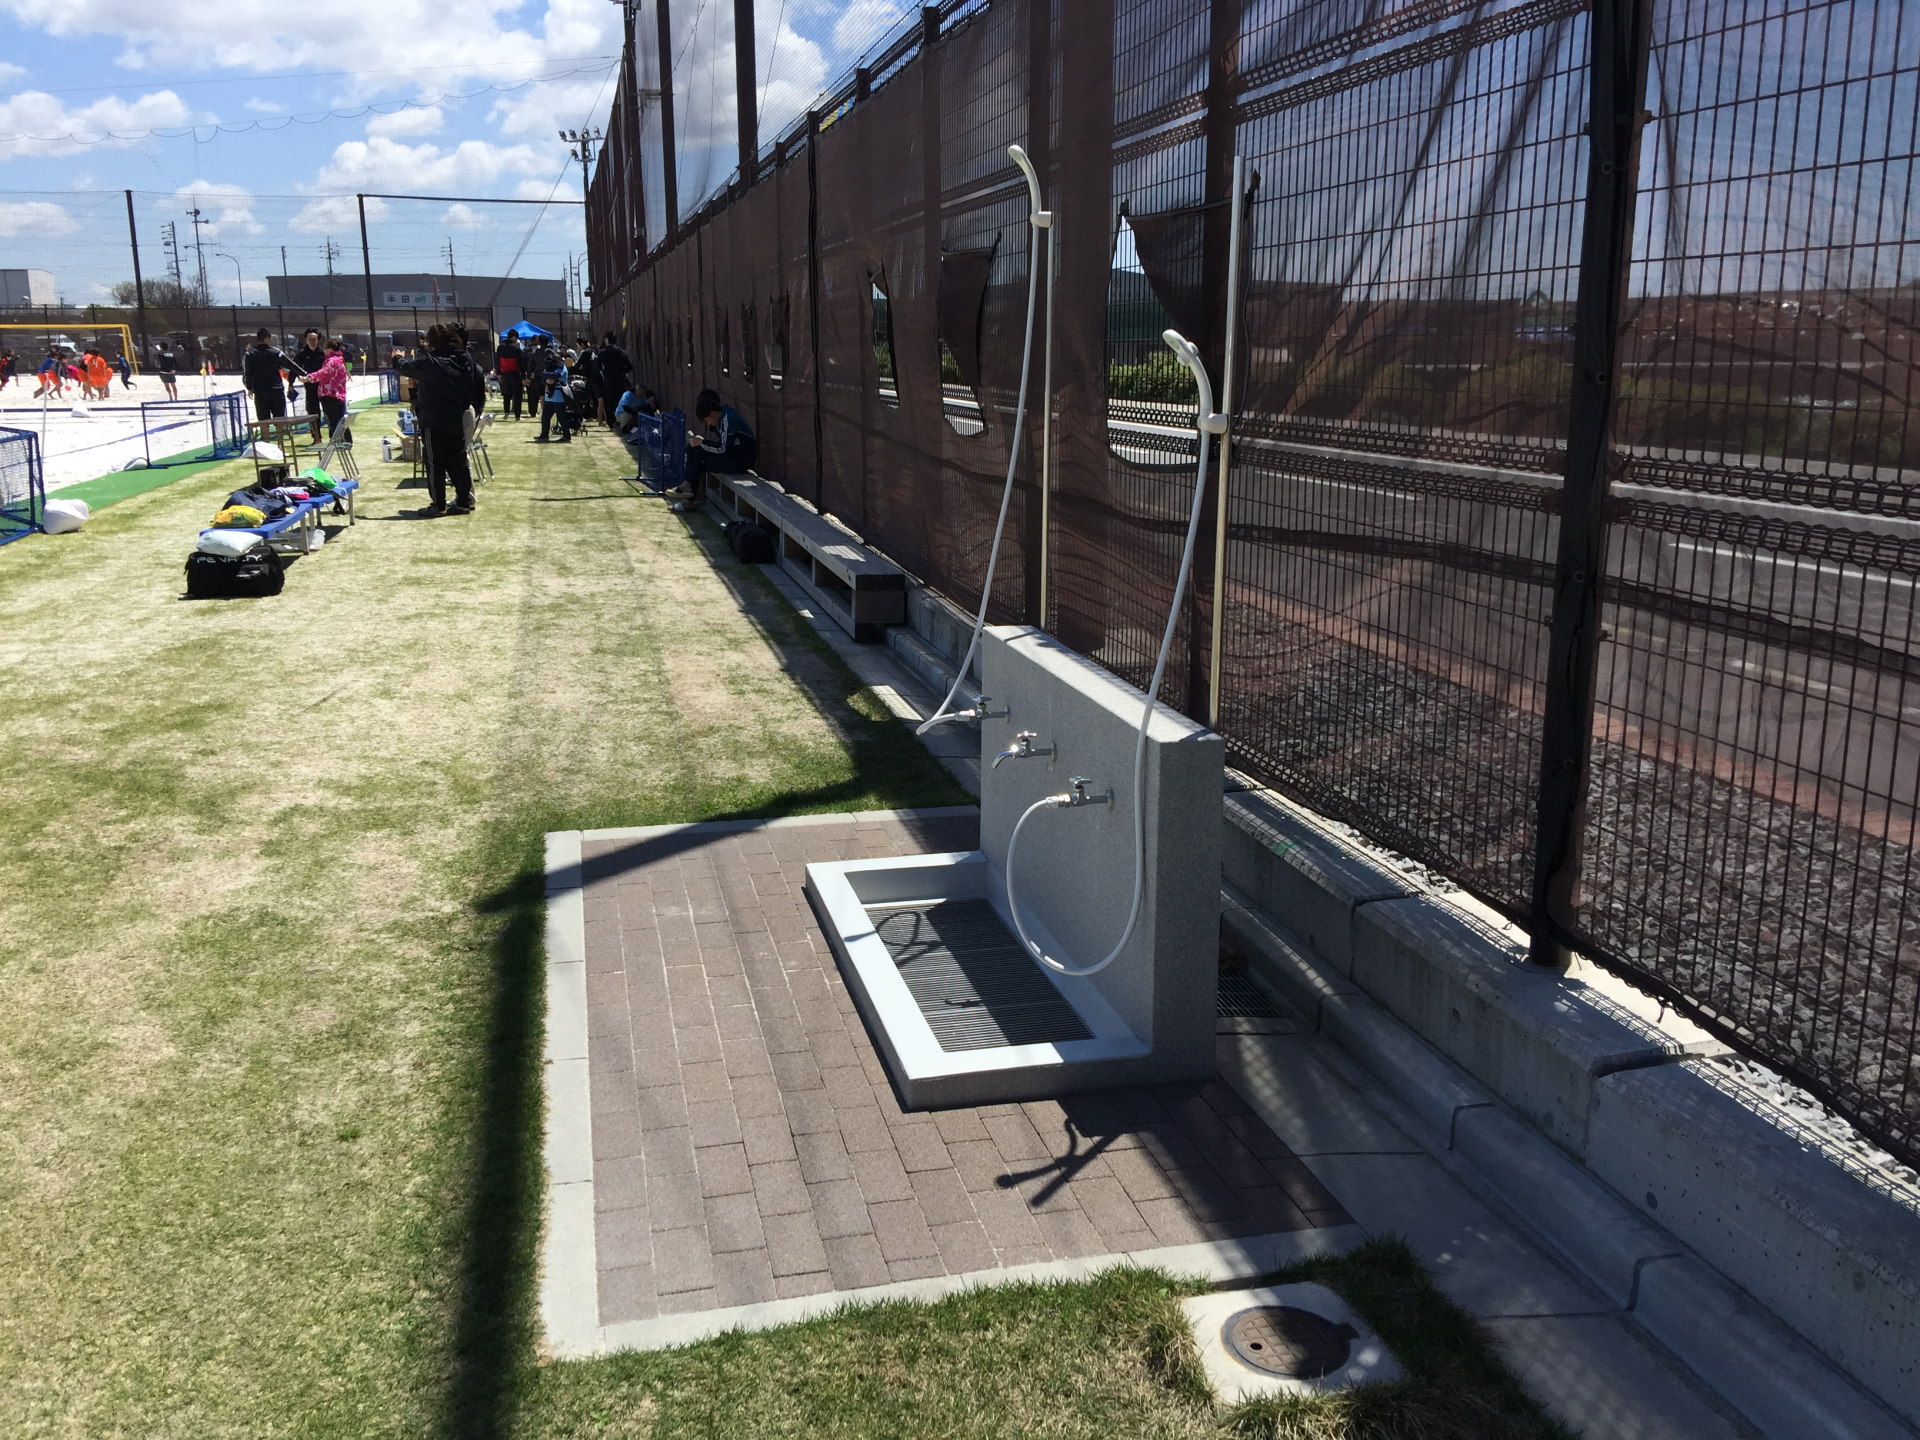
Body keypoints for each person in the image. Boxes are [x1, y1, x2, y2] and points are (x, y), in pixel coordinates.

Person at [397, 323, 485, 516]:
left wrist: (397, 357)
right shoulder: (464, 359)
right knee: (458, 461)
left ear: (431, 342)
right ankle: (463, 501)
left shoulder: (431, 361)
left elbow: (404, 367)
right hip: (456, 417)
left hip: (434, 420)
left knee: (435, 463)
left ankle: (438, 505)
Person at [670, 388, 756, 501]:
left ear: (712, 413)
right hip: (732, 455)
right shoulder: (722, 418)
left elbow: (723, 449)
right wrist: (698, 444)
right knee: (695, 451)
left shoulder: (728, 419)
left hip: (741, 460)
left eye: (707, 420)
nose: (709, 424)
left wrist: (702, 443)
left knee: (699, 460)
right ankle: (687, 488)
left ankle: (689, 496)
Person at [242, 328, 299, 421]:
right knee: (280, 420)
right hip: (277, 390)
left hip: (260, 391)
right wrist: (304, 373)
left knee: (263, 421)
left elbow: (248, 373)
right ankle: (280, 430)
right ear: (267, 338)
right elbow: (291, 365)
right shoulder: (276, 352)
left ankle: (266, 431)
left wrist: (249, 387)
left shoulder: (250, 354)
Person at [308, 341, 350, 438]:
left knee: (333, 421)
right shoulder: (340, 360)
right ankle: (347, 440)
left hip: (329, 394)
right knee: (341, 419)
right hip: (340, 394)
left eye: (324, 348)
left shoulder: (330, 361)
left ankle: (337, 440)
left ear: (329, 349)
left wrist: (309, 377)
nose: (323, 350)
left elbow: (324, 373)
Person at [293, 329, 327, 437]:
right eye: (310, 339)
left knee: (328, 410)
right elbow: (294, 367)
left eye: (314, 339)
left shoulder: (323, 353)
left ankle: (333, 436)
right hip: (310, 387)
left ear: (318, 340)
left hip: (324, 387)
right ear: (306, 340)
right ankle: (316, 437)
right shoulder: (302, 353)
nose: (312, 341)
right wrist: (290, 383)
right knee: (313, 412)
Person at [535, 348, 572, 443]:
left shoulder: (561, 367)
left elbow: (553, 377)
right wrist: (547, 379)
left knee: (561, 417)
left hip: (559, 397)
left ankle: (567, 437)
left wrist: (547, 378)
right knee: (545, 417)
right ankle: (544, 435)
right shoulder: (550, 367)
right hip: (549, 397)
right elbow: (544, 377)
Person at [597, 333, 633, 424]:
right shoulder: (622, 352)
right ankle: (621, 421)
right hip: (620, 380)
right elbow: (630, 366)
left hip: (608, 380)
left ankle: (611, 422)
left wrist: (604, 372)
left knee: (609, 401)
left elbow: (597, 366)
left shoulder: (602, 352)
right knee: (620, 400)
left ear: (607, 340)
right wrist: (623, 372)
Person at [495, 331, 525, 420]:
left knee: (506, 394)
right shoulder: (516, 347)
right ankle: (517, 416)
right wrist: (523, 375)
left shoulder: (500, 347)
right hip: (515, 373)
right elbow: (521, 362)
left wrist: (498, 373)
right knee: (517, 395)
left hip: (504, 373)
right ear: (514, 337)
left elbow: (497, 361)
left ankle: (506, 412)